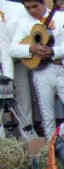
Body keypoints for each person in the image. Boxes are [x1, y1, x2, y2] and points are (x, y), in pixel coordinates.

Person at [9, 0, 64, 140]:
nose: (32, 11)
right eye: (28, 8)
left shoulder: (62, 16)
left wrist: (53, 51)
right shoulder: (24, 23)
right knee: (47, 116)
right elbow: (13, 49)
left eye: (35, 6)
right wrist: (30, 48)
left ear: (44, 4)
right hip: (41, 72)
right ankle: (51, 151)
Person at [1, 0, 38, 140]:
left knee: (23, 108)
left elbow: (32, 32)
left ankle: (31, 148)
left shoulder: (17, 8)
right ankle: (6, 149)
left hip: (18, 64)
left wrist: (8, 78)